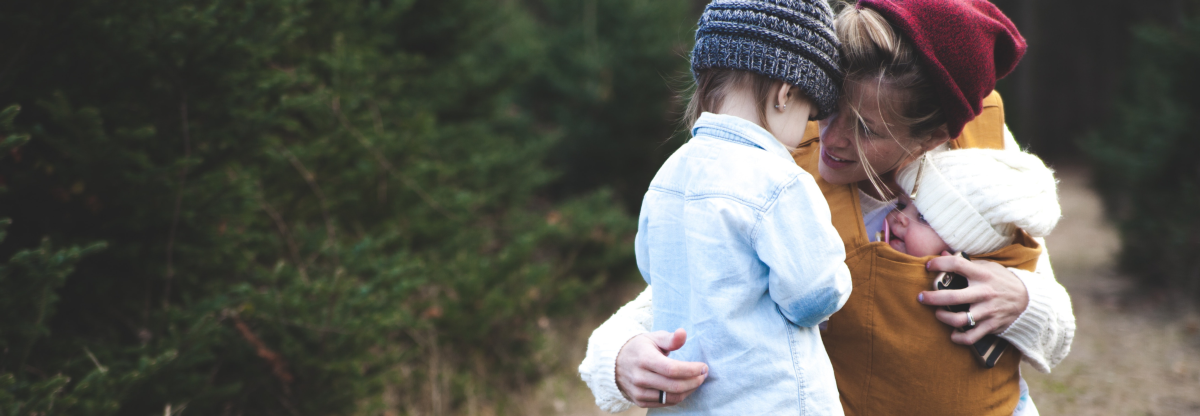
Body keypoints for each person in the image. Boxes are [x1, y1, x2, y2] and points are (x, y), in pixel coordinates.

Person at [578, 1, 1076, 415]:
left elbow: (1057, 332)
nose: (831, 139)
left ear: (932, 137)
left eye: (866, 129)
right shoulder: (777, 164)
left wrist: (1024, 302)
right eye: (830, 107)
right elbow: (683, 281)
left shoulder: (984, 171)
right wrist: (618, 355)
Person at [633, 0, 852, 414]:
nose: (806, 134)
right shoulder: (778, 180)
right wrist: (839, 276)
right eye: (809, 114)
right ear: (786, 94)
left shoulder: (666, 177)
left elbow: (651, 268)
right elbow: (813, 294)